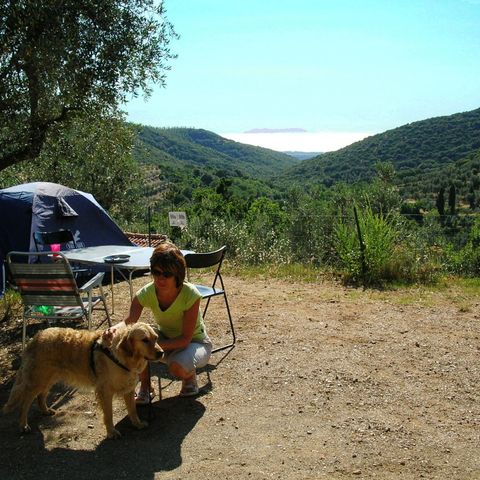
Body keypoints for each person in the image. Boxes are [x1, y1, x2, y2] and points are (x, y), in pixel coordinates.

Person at [104, 241, 212, 401]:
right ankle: (146, 387)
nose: (160, 278)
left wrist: (151, 347)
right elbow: (129, 321)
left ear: (177, 274)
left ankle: (189, 377)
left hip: (195, 343)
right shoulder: (147, 292)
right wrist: (114, 329)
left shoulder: (190, 294)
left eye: (167, 274)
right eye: (156, 272)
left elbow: (185, 339)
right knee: (139, 342)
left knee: (175, 365)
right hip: (167, 339)